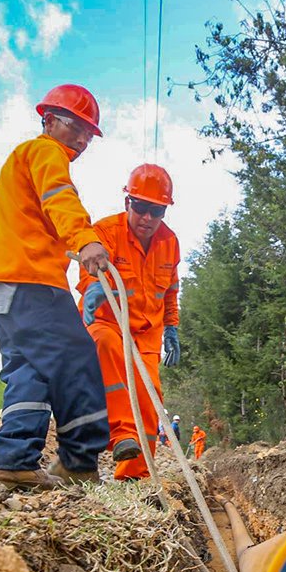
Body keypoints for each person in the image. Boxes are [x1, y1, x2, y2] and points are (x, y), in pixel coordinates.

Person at [0, 84, 112, 490]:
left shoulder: (24, 160)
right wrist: (85, 239)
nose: (83, 140)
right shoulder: (45, 152)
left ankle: (13, 458)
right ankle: (80, 462)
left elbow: (44, 210)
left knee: (30, 368)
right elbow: (59, 197)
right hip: (28, 282)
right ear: (49, 121)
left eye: (89, 133)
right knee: (77, 358)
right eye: (76, 127)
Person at [77, 164, 181, 480]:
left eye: (157, 210)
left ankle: (134, 475)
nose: (148, 218)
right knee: (105, 344)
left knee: (151, 400)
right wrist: (91, 287)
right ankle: (122, 432)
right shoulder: (106, 232)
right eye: (141, 207)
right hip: (109, 322)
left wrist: (172, 326)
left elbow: (171, 288)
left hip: (147, 333)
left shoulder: (170, 242)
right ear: (127, 203)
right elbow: (86, 267)